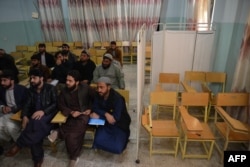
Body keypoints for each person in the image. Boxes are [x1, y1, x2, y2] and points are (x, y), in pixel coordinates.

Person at [5, 69, 57, 167]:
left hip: (48, 116)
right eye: (31, 78)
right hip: (35, 118)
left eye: (34, 78)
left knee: (34, 124)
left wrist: (43, 111)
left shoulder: (50, 88)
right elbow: (26, 105)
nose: (32, 80)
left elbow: (55, 104)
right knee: (34, 127)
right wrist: (24, 116)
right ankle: (38, 159)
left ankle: (19, 144)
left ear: (41, 78)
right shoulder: (30, 90)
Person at [48, 70, 94, 167]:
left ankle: (59, 132)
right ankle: (74, 157)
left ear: (77, 82)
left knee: (71, 136)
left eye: (70, 81)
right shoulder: (64, 90)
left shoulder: (85, 88)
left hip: (83, 114)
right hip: (71, 115)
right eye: (66, 80)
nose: (67, 83)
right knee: (72, 134)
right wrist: (71, 112)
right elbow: (60, 104)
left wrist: (90, 109)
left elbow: (96, 99)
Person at [90, 76, 131, 154]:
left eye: (102, 87)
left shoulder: (118, 98)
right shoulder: (98, 94)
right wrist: (105, 114)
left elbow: (115, 118)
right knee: (97, 142)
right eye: (98, 87)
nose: (99, 90)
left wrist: (99, 116)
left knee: (117, 149)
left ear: (109, 87)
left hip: (119, 125)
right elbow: (94, 107)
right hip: (106, 123)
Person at [0, 70, 28, 154]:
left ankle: (20, 144)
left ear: (12, 80)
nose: (2, 83)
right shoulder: (1, 89)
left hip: (19, 114)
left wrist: (12, 109)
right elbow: (0, 100)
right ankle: (9, 140)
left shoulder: (22, 89)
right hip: (5, 114)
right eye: (1, 80)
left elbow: (26, 103)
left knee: (10, 127)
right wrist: (2, 107)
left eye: (5, 80)